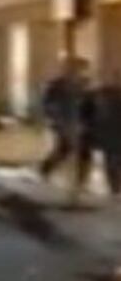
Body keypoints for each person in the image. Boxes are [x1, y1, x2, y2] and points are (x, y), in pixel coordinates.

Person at [39, 57, 92, 187]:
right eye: (76, 68)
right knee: (64, 148)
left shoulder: (85, 84)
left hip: (81, 123)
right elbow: (48, 103)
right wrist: (56, 118)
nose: (79, 71)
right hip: (63, 121)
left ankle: (81, 180)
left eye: (81, 69)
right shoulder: (57, 85)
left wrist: (87, 121)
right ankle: (45, 169)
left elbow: (90, 104)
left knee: (84, 151)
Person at [85, 72, 121, 198]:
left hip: (110, 132)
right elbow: (87, 111)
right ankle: (115, 189)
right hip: (108, 132)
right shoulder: (99, 93)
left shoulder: (99, 93)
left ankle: (115, 189)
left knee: (113, 161)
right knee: (112, 161)